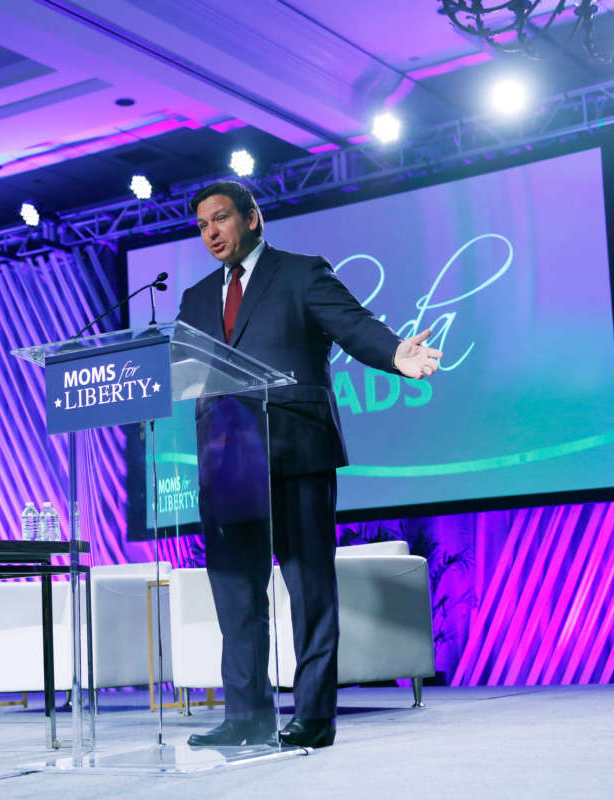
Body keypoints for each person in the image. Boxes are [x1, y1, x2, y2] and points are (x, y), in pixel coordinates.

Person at [177, 181, 441, 749]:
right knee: (235, 594)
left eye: (221, 219)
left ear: (253, 218)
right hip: (228, 461)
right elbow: (183, 371)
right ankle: (246, 715)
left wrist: (397, 352)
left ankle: (314, 715)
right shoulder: (196, 299)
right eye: (202, 226)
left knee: (309, 590)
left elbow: (354, 325)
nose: (212, 233)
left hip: (296, 449)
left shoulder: (299, 273)